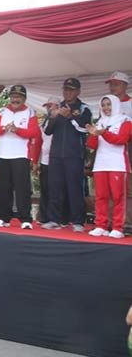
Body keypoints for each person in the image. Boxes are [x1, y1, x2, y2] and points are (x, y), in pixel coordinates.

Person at [42, 78, 92, 232]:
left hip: (74, 155)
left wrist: (70, 117)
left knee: (74, 188)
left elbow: (85, 129)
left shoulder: (84, 109)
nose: (67, 93)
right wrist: (53, 116)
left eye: (71, 90)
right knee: (55, 188)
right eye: (65, 90)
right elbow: (47, 131)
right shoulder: (57, 107)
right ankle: (53, 219)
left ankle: (78, 221)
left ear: (78, 91)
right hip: (56, 154)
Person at [0, 85, 41, 229]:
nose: (15, 99)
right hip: (4, 154)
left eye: (18, 97)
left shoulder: (30, 112)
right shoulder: (2, 111)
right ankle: (4, 217)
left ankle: (25, 218)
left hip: (21, 155)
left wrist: (16, 130)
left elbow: (34, 132)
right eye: (13, 96)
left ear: (24, 99)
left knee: (22, 188)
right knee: (4, 187)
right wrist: (4, 128)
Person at [86, 95, 131, 238]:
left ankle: (118, 227)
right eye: (104, 105)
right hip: (100, 164)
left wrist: (104, 132)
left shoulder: (126, 121)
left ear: (116, 105)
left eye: (109, 104)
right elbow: (92, 145)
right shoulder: (100, 121)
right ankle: (101, 225)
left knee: (118, 196)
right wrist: (93, 134)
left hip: (117, 164)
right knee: (100, 196)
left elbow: (121, 140)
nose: (106, 108)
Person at [106, 71, 132, 234]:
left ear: (124, 85)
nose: (112, 87)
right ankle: (109, 222)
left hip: (128, 148)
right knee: (108, 188)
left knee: (127, 188)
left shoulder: (130, 104)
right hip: (108, 151)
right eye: (111, 84)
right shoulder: (107, 104)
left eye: (116, 84)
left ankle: (127, 222)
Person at [38, 100, 56, 224]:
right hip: (44, 160)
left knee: (55, 190)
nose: (49, 108)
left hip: (57, 160)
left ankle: (54, 217)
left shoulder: (61, 119)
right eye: (47, 106)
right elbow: (40, 141)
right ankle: (43, 217)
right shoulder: (44, 121)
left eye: (51, 106)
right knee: (44, 189)